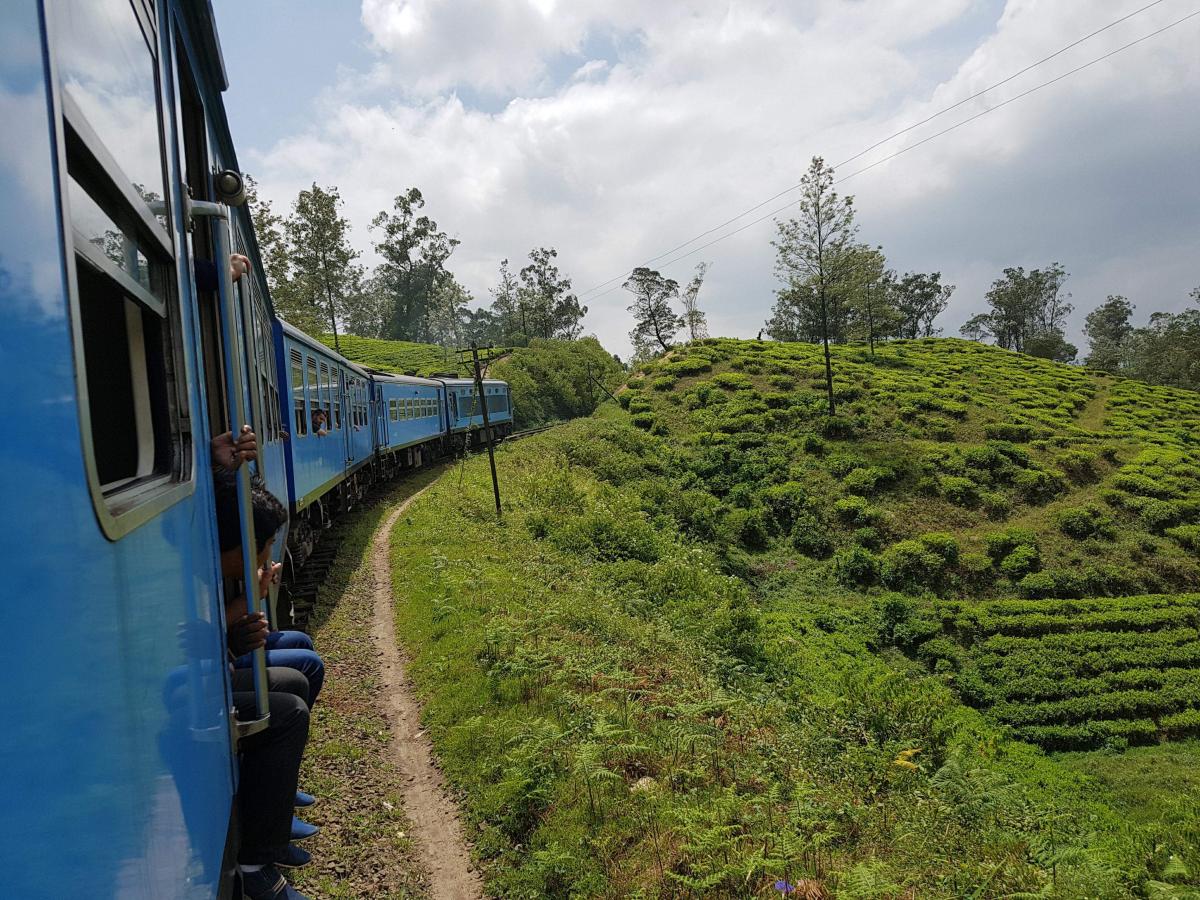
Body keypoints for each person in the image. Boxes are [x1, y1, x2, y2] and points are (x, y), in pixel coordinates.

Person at [213, 471, 314, 900]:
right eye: (265, 545)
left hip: (211, 672)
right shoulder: (201, 573)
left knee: (301, 666)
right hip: (191, 689)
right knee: (290, 706)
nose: (269, 554)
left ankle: (276, 799)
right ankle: (255, 861)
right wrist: (247, 602)